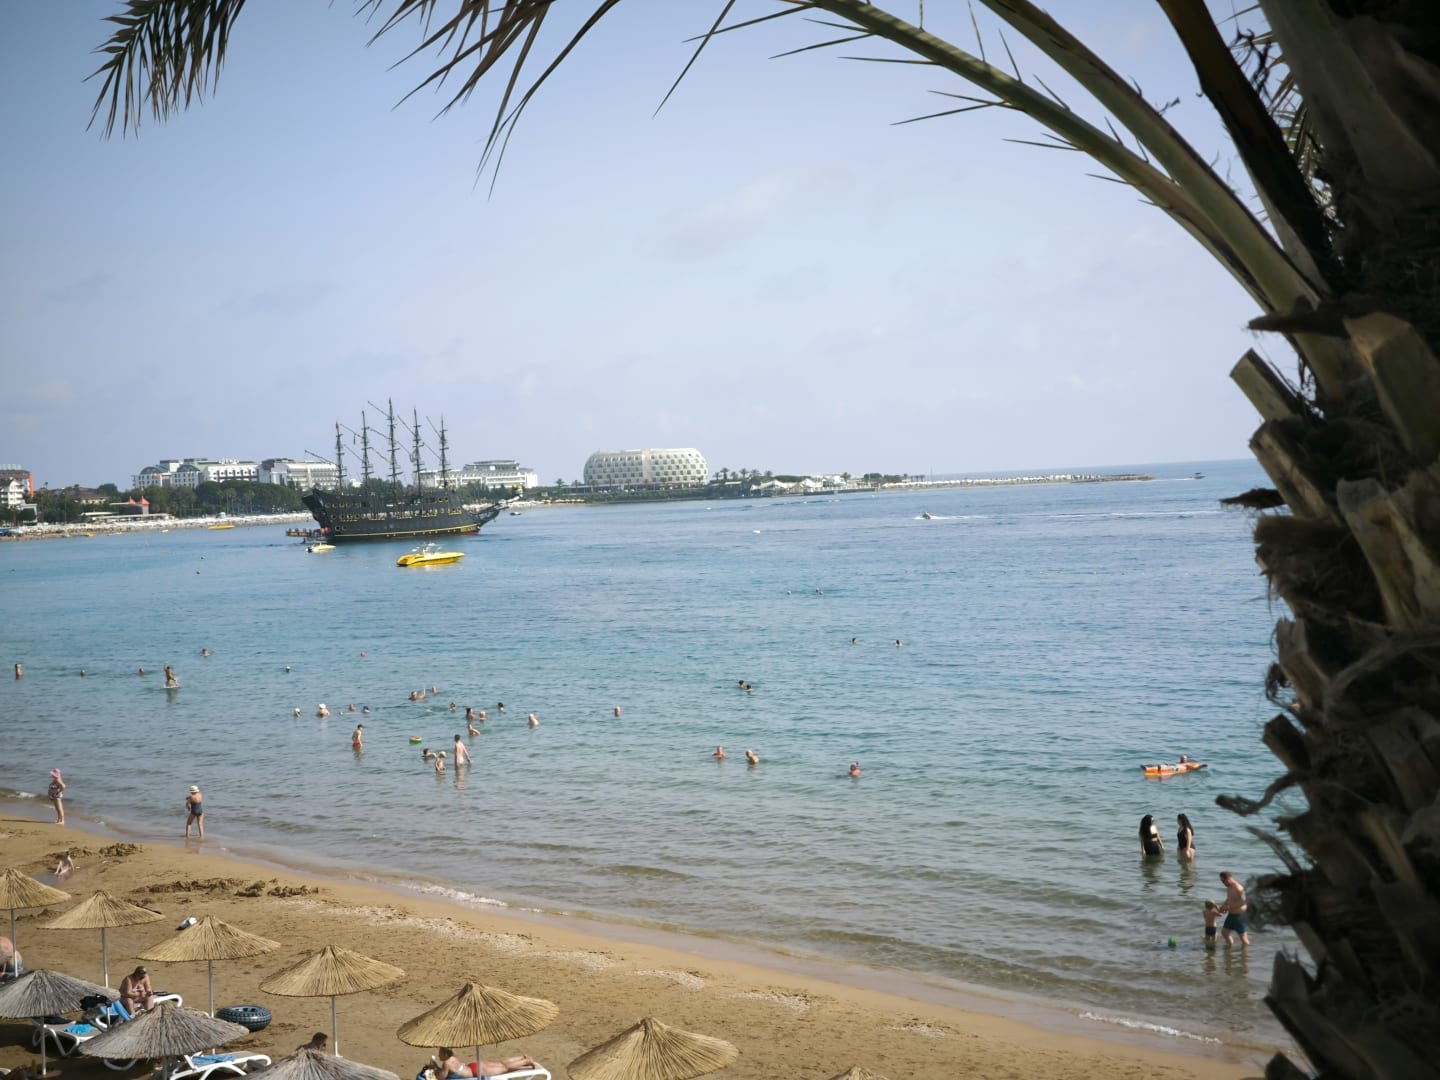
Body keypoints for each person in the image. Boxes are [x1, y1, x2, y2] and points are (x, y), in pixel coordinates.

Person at [434, 1048, 538, 1079]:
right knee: (501, 1064)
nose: (439, 1056)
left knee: (504, 1068)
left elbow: (442, 1077)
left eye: (440, 1054)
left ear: (445, 1054)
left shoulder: (446, 1063)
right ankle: (523, 1058)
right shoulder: (453, 1057)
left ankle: (526, 1061)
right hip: (475, 1066)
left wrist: (434, 1069)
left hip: (476, 1071)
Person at [1218, 871, 1251, 948]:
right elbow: (1229, 899)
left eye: (1223, 881)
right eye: (1221, 881)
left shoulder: (1238, 888)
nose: (1223, 883)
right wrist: (1223, 906)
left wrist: (1228, 907)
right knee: (1225, 933)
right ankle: (1229, 947)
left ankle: (1245, 953)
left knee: (1243, 938)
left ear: (1229, 879)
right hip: (1231, 915)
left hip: (1240, 916)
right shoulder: (1229, 887)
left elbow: (1243, 901)